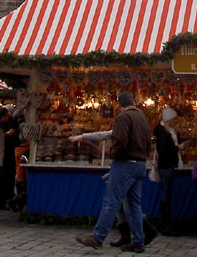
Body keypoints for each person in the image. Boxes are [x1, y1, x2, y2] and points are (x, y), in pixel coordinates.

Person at [76, 92, 151, 252]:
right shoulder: (142, 118)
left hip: (125, 164)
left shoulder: (123, 117)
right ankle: (138, 240)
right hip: (140, 164)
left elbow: (120, 139)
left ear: (119, 105)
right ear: (134, 103)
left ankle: (98, 237)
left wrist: (114, 152)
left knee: (111, 201)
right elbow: (148, 141)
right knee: (134, 204)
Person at [70, 130, 158, 247]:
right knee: (126, 203)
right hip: (133, 166)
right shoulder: (138, 126)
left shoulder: (126, 124)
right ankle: (129, 236)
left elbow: (107, 134)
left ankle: (102, 237)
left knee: (122, 203)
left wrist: (83, 137)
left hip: (124, 167)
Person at [153, 107, 188, 235]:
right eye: (174, 120)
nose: (176, 122)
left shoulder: (170, 133)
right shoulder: (164, 134)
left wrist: (178, 135)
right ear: (170, 120)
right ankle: (165, 224)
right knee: (166, 196)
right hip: (166, 167)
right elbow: (164, 152)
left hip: (168, 167)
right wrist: (178, 147)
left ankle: (166, 223)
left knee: (167, 196)